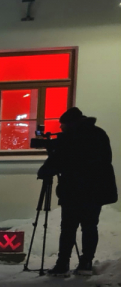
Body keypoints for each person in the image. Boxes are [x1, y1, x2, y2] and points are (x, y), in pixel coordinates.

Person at [36, 107, 116, 276]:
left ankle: (62, 263)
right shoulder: (98, 134)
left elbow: (60, 159)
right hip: (96, 190)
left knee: (68, 227)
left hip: (74, 190)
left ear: (70, 124)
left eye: (62, 125)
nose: (61, 129)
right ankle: (85, 263)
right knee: (89, 226)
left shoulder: (72, 138)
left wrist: (46, 168)